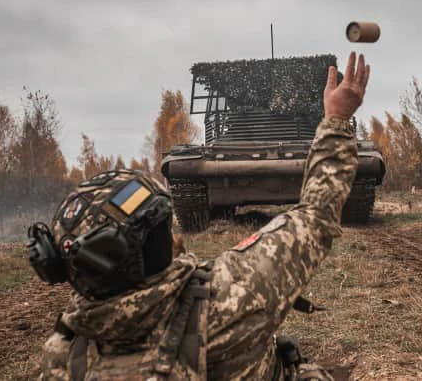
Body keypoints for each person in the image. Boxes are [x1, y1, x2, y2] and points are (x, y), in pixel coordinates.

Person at [30, 51, 370, 380]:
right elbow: (316, 214)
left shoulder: (61, 352)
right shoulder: (234, 294)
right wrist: (337, 119)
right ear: (155, 244)